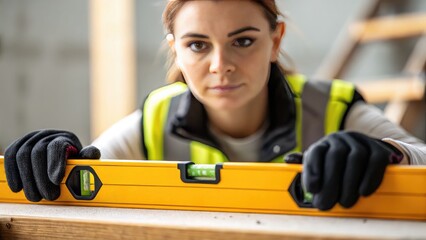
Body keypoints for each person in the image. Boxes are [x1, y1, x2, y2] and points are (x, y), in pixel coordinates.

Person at [4, 0, 426, 211]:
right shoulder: (156, 117)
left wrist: (392, 153)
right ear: (176, 50)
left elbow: (420, 159)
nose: (221, 66)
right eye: (198, 45)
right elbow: (89, 168)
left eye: (243, 41)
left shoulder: (331, 106)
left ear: (275, 40)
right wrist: (57, 158)